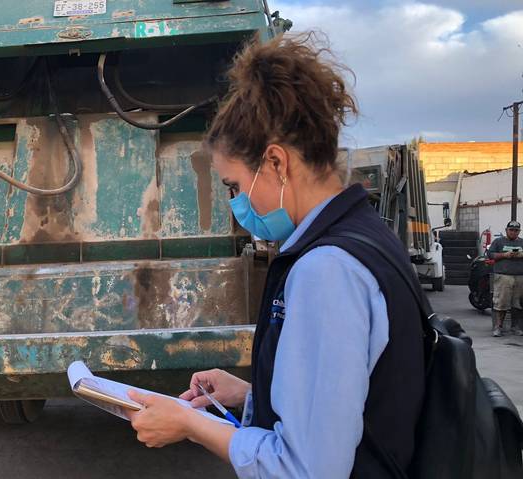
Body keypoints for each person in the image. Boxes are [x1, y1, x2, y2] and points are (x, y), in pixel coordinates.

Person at [124, 33, 425, 478]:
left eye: (234, 186)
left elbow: (306, 469)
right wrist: (252, 395)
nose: (237, 204)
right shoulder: (366, 237)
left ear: (277, 164)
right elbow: (351, 405)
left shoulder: (327, 270)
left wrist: (191, 425)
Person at [486, 220, 523, 337]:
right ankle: (498, 327)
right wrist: (504, 255)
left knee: (517, 303)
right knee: (501, 303)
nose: (513, 232)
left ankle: (515, 327)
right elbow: (490, 254)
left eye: (516, 230)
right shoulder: (498, 242)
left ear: (519, 232)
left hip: (519, 277)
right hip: (503, 277)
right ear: (506, 230)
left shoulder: (522, 242)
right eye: (511, 230)